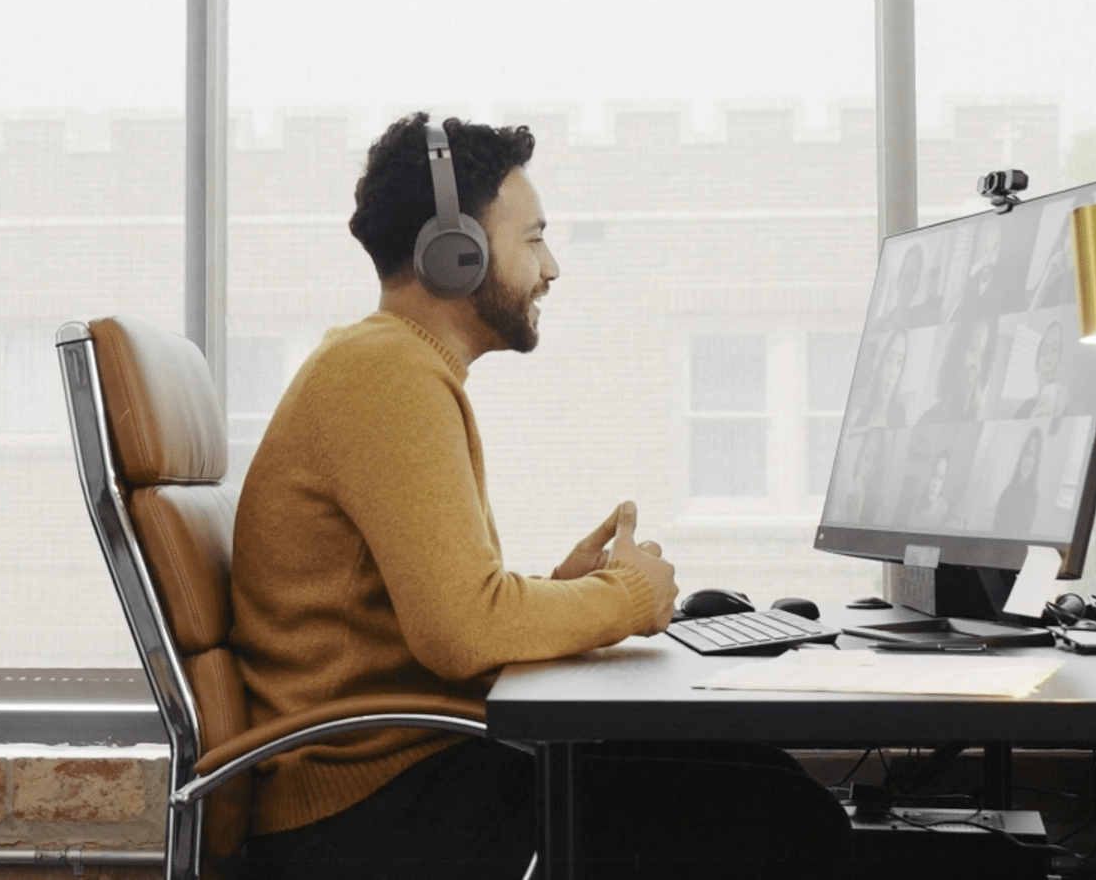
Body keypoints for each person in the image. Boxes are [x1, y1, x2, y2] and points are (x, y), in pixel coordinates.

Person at [231, 113, 850, 878]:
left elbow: (440, 614)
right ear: (452, 252)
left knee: (760, 773)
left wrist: (566, 595)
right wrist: (623, 598)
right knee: (782, 818)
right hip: (371, 814)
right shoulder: (385, 376)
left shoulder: (387, 366)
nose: (551, 266)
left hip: (404, 780)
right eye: (531, 239)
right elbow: (459, 631)